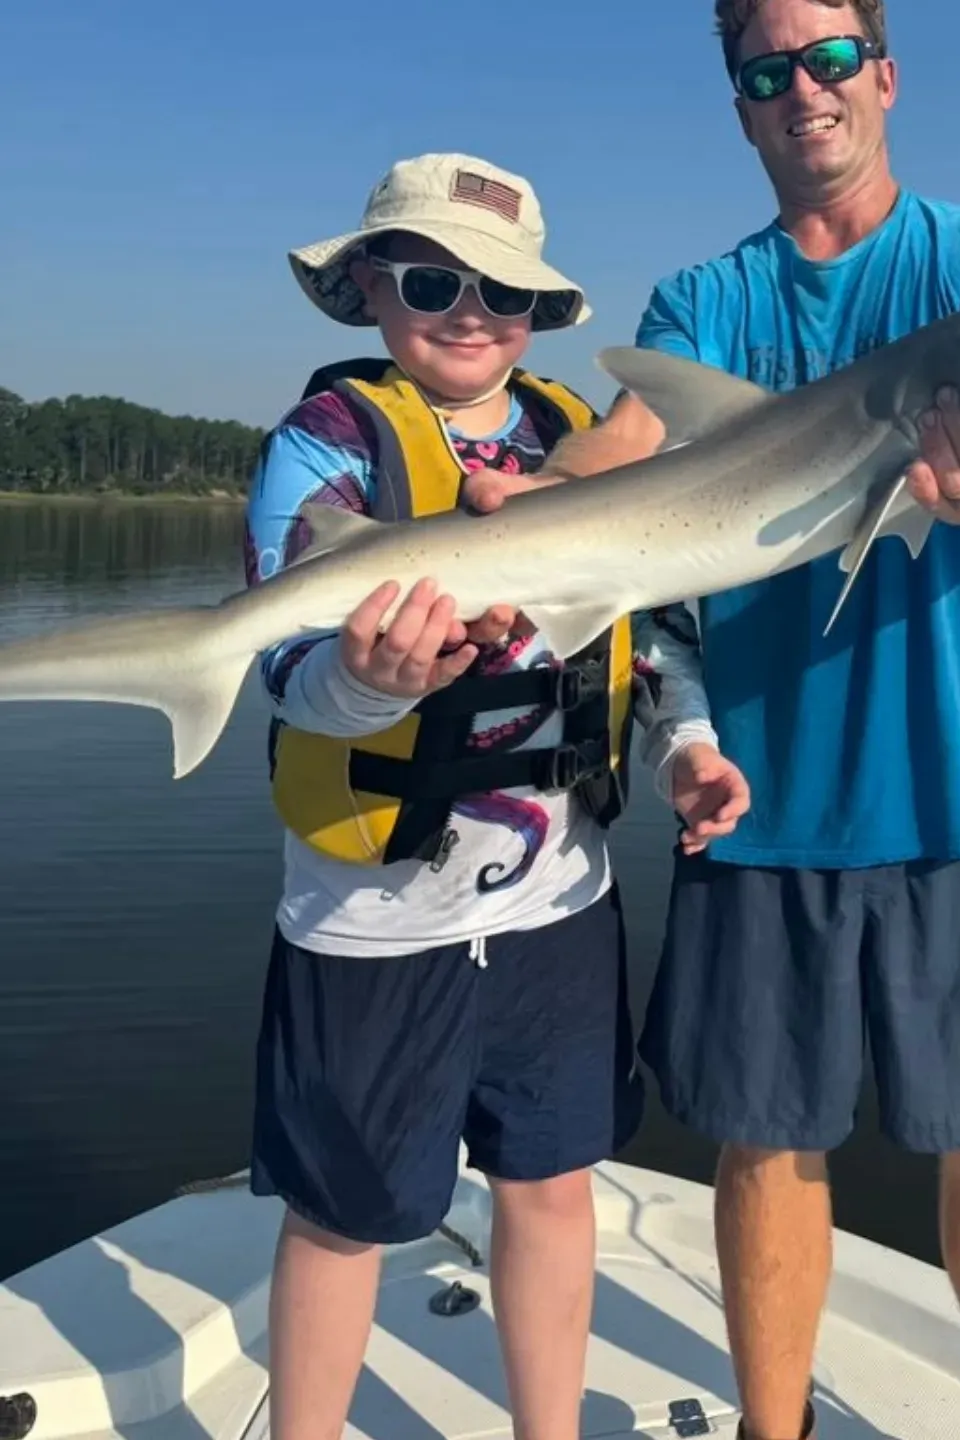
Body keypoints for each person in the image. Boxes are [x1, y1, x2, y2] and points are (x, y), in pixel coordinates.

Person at [471, 5, 960, 1439]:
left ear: (884, 76)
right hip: (760, 790)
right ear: (744, 107)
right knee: (763, 1143)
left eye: (831, 57)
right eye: (767, 70)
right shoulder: (709, 297)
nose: (805, 91)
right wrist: (529, 502)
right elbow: (632, 440)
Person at [241, 151, 749, 1440]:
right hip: (373, 920)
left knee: (553, 1182)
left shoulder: (583, 447)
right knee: (344, 1215)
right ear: (366, 288)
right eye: (432, 279)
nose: (470, 312)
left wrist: (688, 742)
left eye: (506, 294)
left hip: (561, 902)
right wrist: (368, 684)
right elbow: (287, 669)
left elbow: (657, 628)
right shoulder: (325, 447)